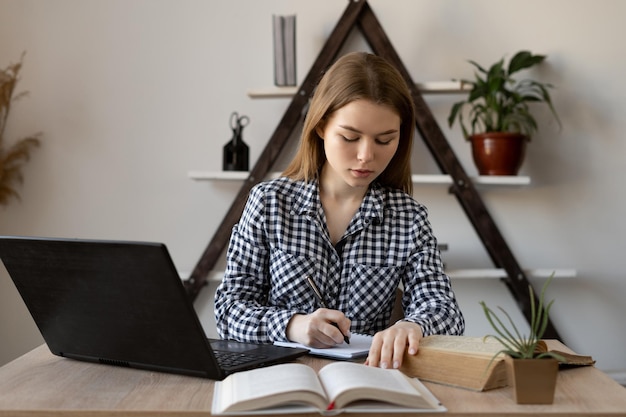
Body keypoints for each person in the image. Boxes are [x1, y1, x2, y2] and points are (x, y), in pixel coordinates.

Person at [215, 51, 464, 369]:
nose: (366, 156)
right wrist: (294, 326)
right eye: (350, 137)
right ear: (320, 127)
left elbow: (446, 311)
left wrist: (412, 326)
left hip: (365, 381)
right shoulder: (269, 203)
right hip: (279, 379)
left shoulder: (408, 218)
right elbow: (229, 309)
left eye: (385, 140)